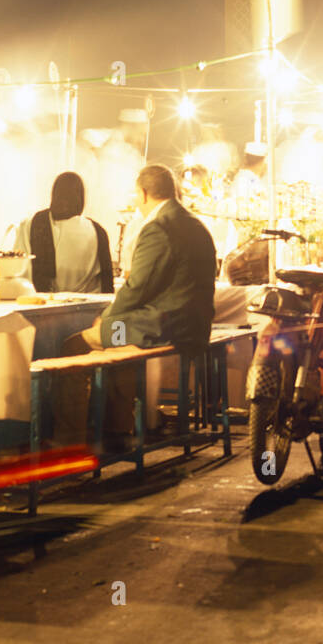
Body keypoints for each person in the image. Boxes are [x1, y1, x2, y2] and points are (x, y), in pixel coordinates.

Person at [55, 165, 217, 452]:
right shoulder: (195, 224)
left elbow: (137, 288)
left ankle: (69, 440)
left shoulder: (159, 227)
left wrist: (105, 320)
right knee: (116, 346)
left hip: (161, 328)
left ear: (142, 193)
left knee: (75, 345)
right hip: (193, 325)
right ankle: (117, 430)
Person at [14, 171, 114, 294]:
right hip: (86, 307)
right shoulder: (97, 231)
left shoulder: (31, 224)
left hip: (41, 304)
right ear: (81, 198)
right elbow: (106, 284)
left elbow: (17, 269)